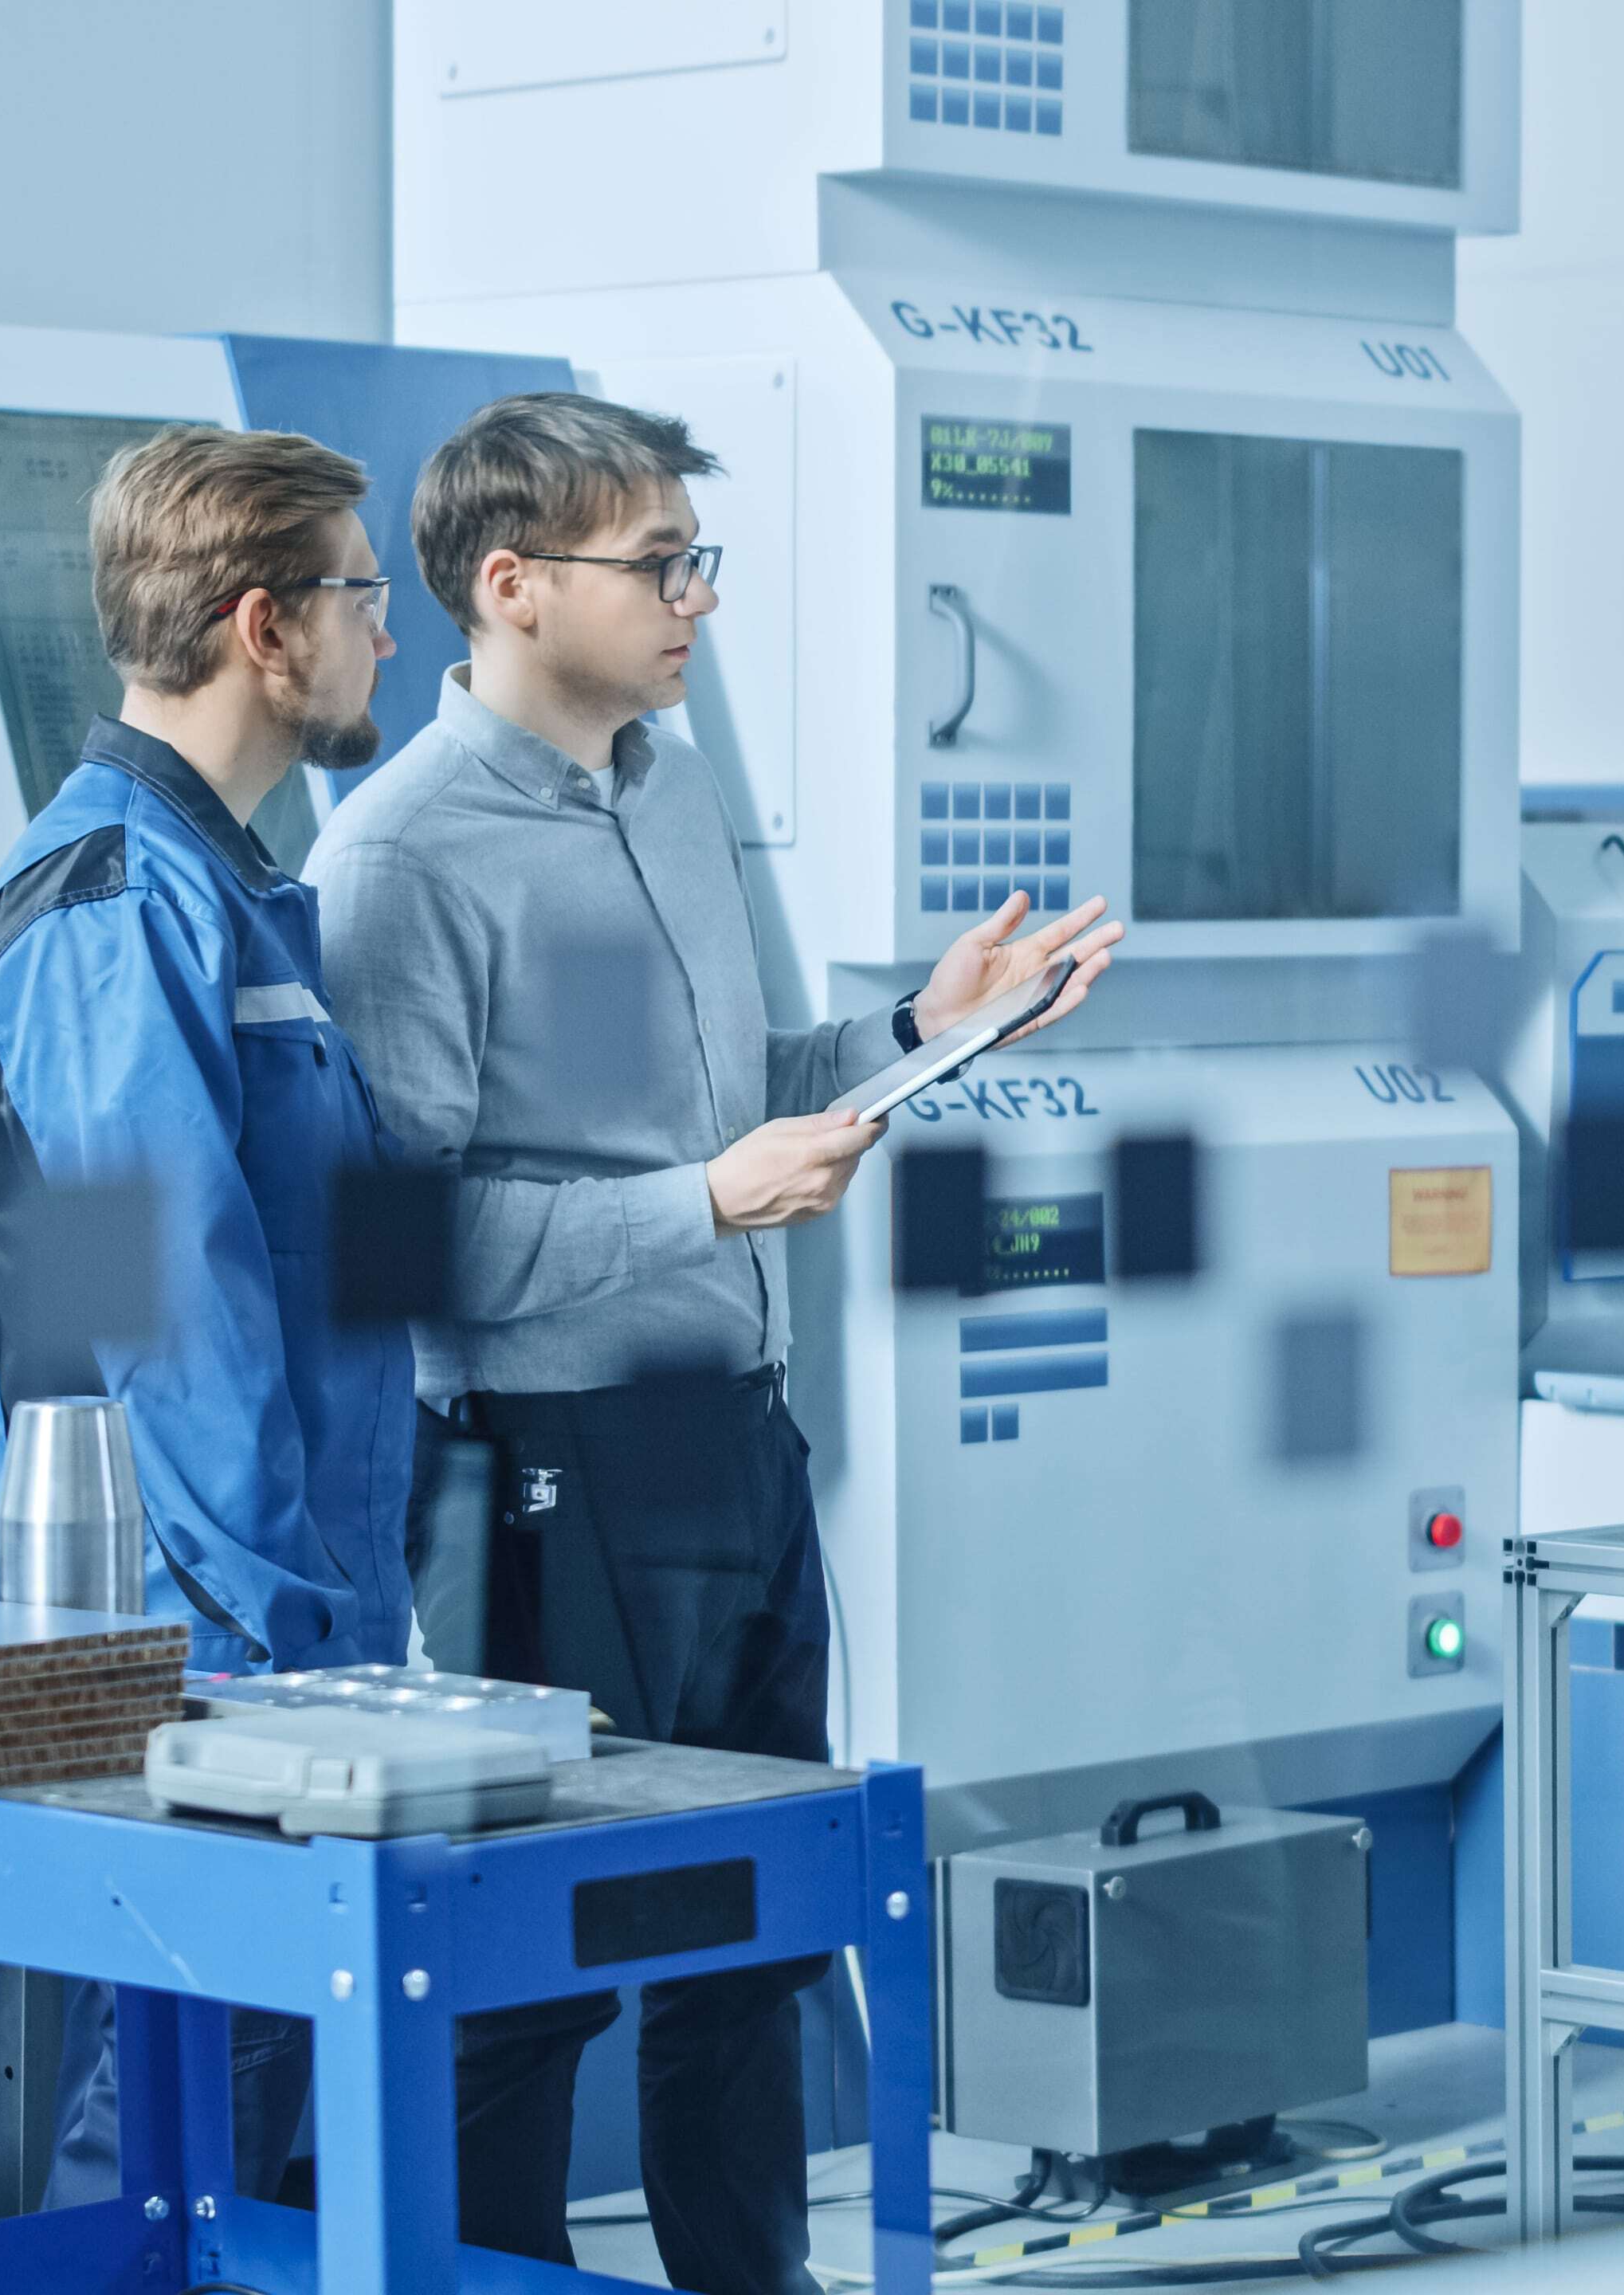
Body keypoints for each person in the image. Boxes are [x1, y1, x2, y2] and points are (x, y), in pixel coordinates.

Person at [306, 391, 1118, 2295]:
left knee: (755, 1937)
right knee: (532, 1975)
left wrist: (923, 1027)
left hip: (732, 1442)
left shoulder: (665, 789)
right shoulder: (401, 859)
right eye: (660, 564)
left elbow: (711, 1100)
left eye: (698, 558)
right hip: (543, 1469)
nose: (699, 600)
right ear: (511, 585)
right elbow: (407, 1243)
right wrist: (705, 1207)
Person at [0, 425, 591, 2254]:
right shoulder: (110, 909)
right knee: (176, 2130)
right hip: (203, 1648)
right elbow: (170, 1323)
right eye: (364, 596)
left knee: (255, 2136)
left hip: (294, 1620)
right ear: (262, 625)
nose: (392, 634)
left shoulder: (235, 894)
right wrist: (299, 1664)